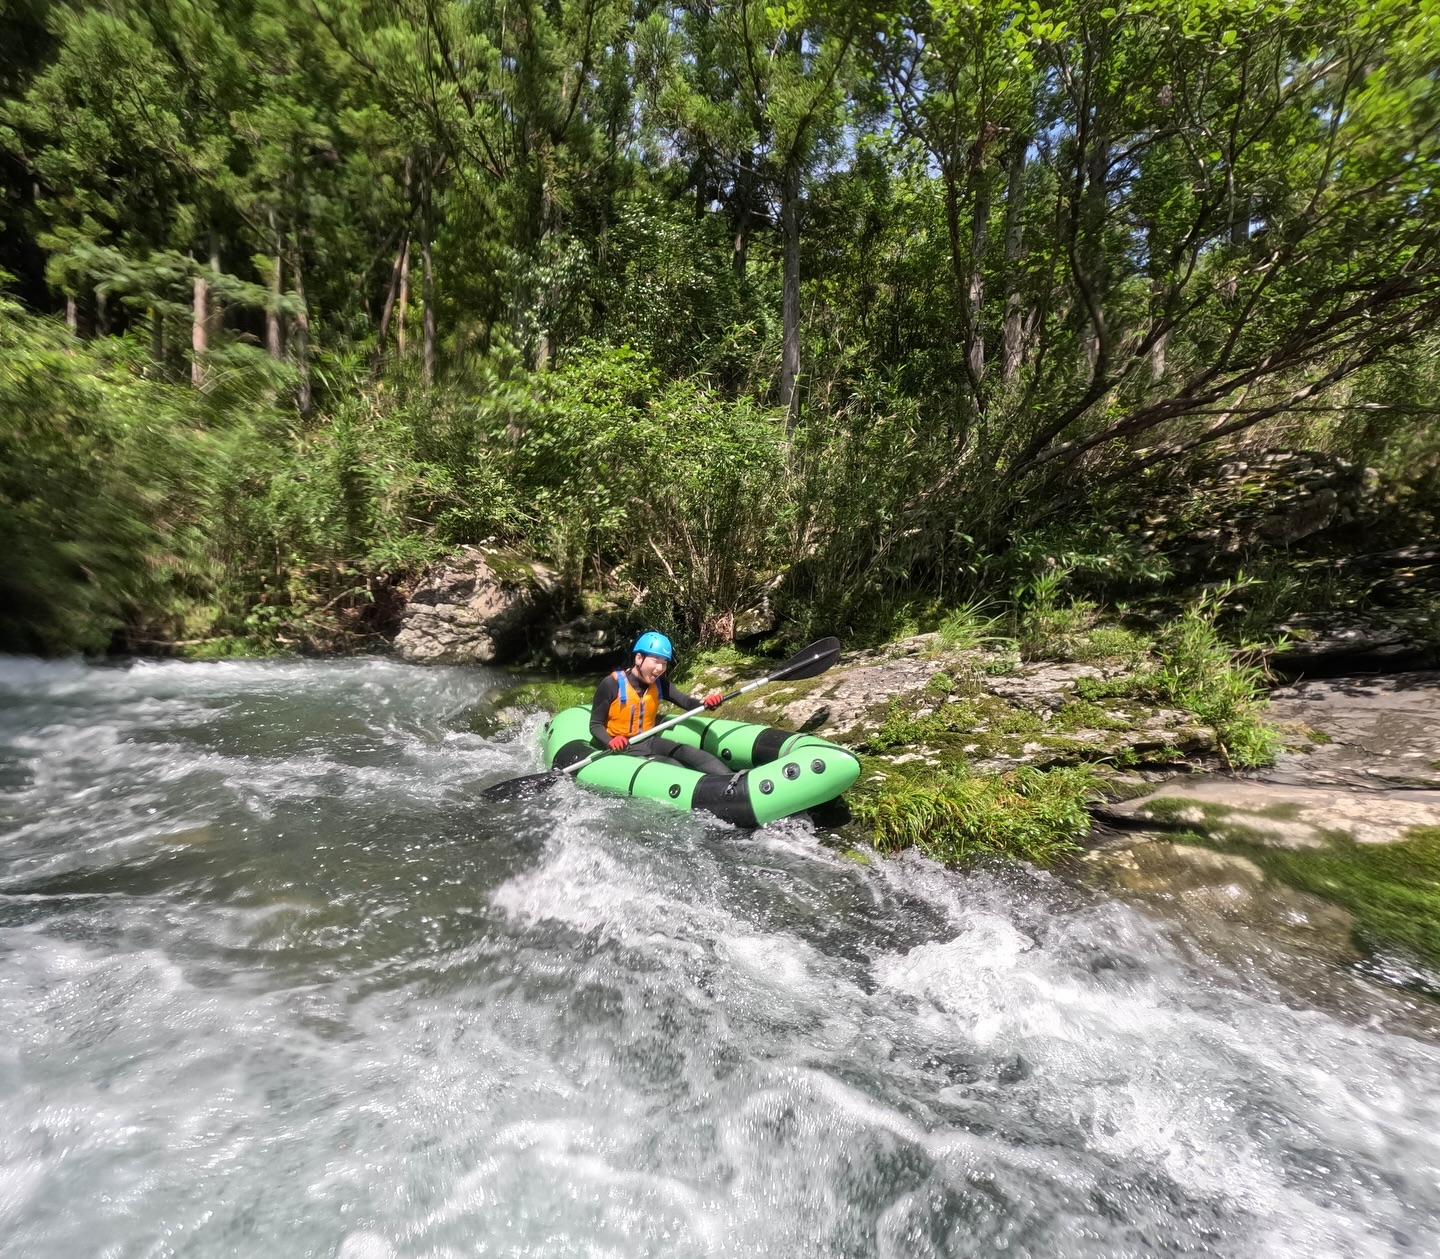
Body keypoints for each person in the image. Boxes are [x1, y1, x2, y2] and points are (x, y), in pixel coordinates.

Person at [590, 632, 730, 776]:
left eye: (664, 663)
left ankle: (732, 779)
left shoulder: (659, 683)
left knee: (687, 752)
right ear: (639, 658)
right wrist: (610, 740)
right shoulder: (612, 684)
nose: (660, 668)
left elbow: (686, 702)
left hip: (647, 741)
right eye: (656, 660)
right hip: (620, 748)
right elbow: (595, 725)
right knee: (674, 766)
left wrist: (706, 703)